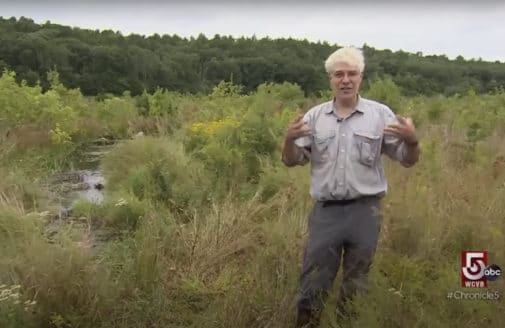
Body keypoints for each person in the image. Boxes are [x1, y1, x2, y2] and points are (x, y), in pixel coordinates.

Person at [281, 46, 420, 327]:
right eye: (338, 74)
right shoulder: (315, 117)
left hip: (365, 213)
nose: (345, 79)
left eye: (352, 73)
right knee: (314, 280)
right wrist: (288, 139)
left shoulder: (380, 115)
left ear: (361, 77)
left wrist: (413, 141)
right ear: (330, 79)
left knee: (357, 283)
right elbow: (291, 160)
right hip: (327, 214)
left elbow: (407, 160)